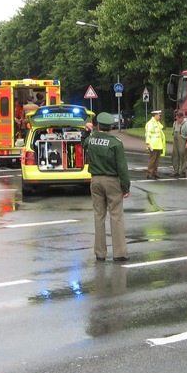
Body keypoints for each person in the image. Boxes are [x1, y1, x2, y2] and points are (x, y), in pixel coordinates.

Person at [83, 112, 131, 262]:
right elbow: (122, 167)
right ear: (111, 127)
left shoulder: (91, 139)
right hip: (112, 181)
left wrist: (86, 131)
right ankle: (119, 253)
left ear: (98, 125)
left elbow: (83, 144)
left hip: (95, 180)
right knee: (116, 216)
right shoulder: (115, 142)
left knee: (99, 216)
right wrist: (125, 187)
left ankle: (100, 253)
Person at [145, 109, 166, 179]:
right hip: (153, 145)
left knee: (157, 160)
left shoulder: (157, 123)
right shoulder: (150, 124)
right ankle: (149, 173)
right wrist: (148, 143)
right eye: (159, 115)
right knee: (152, 160)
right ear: (155, 115)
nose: (160, 117)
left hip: (158, 145)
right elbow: (147, 134)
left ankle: (155, 172)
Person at [171, 111, 187, 177]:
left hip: (182, 141)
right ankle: (175, 171)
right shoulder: (175, 123)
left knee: (182, 155)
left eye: (180, 118)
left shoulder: (186, 124)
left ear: (182, 117)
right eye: (177, 118)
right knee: (175, 156)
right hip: (175, 142)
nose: (178, 119)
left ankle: (183, 172)